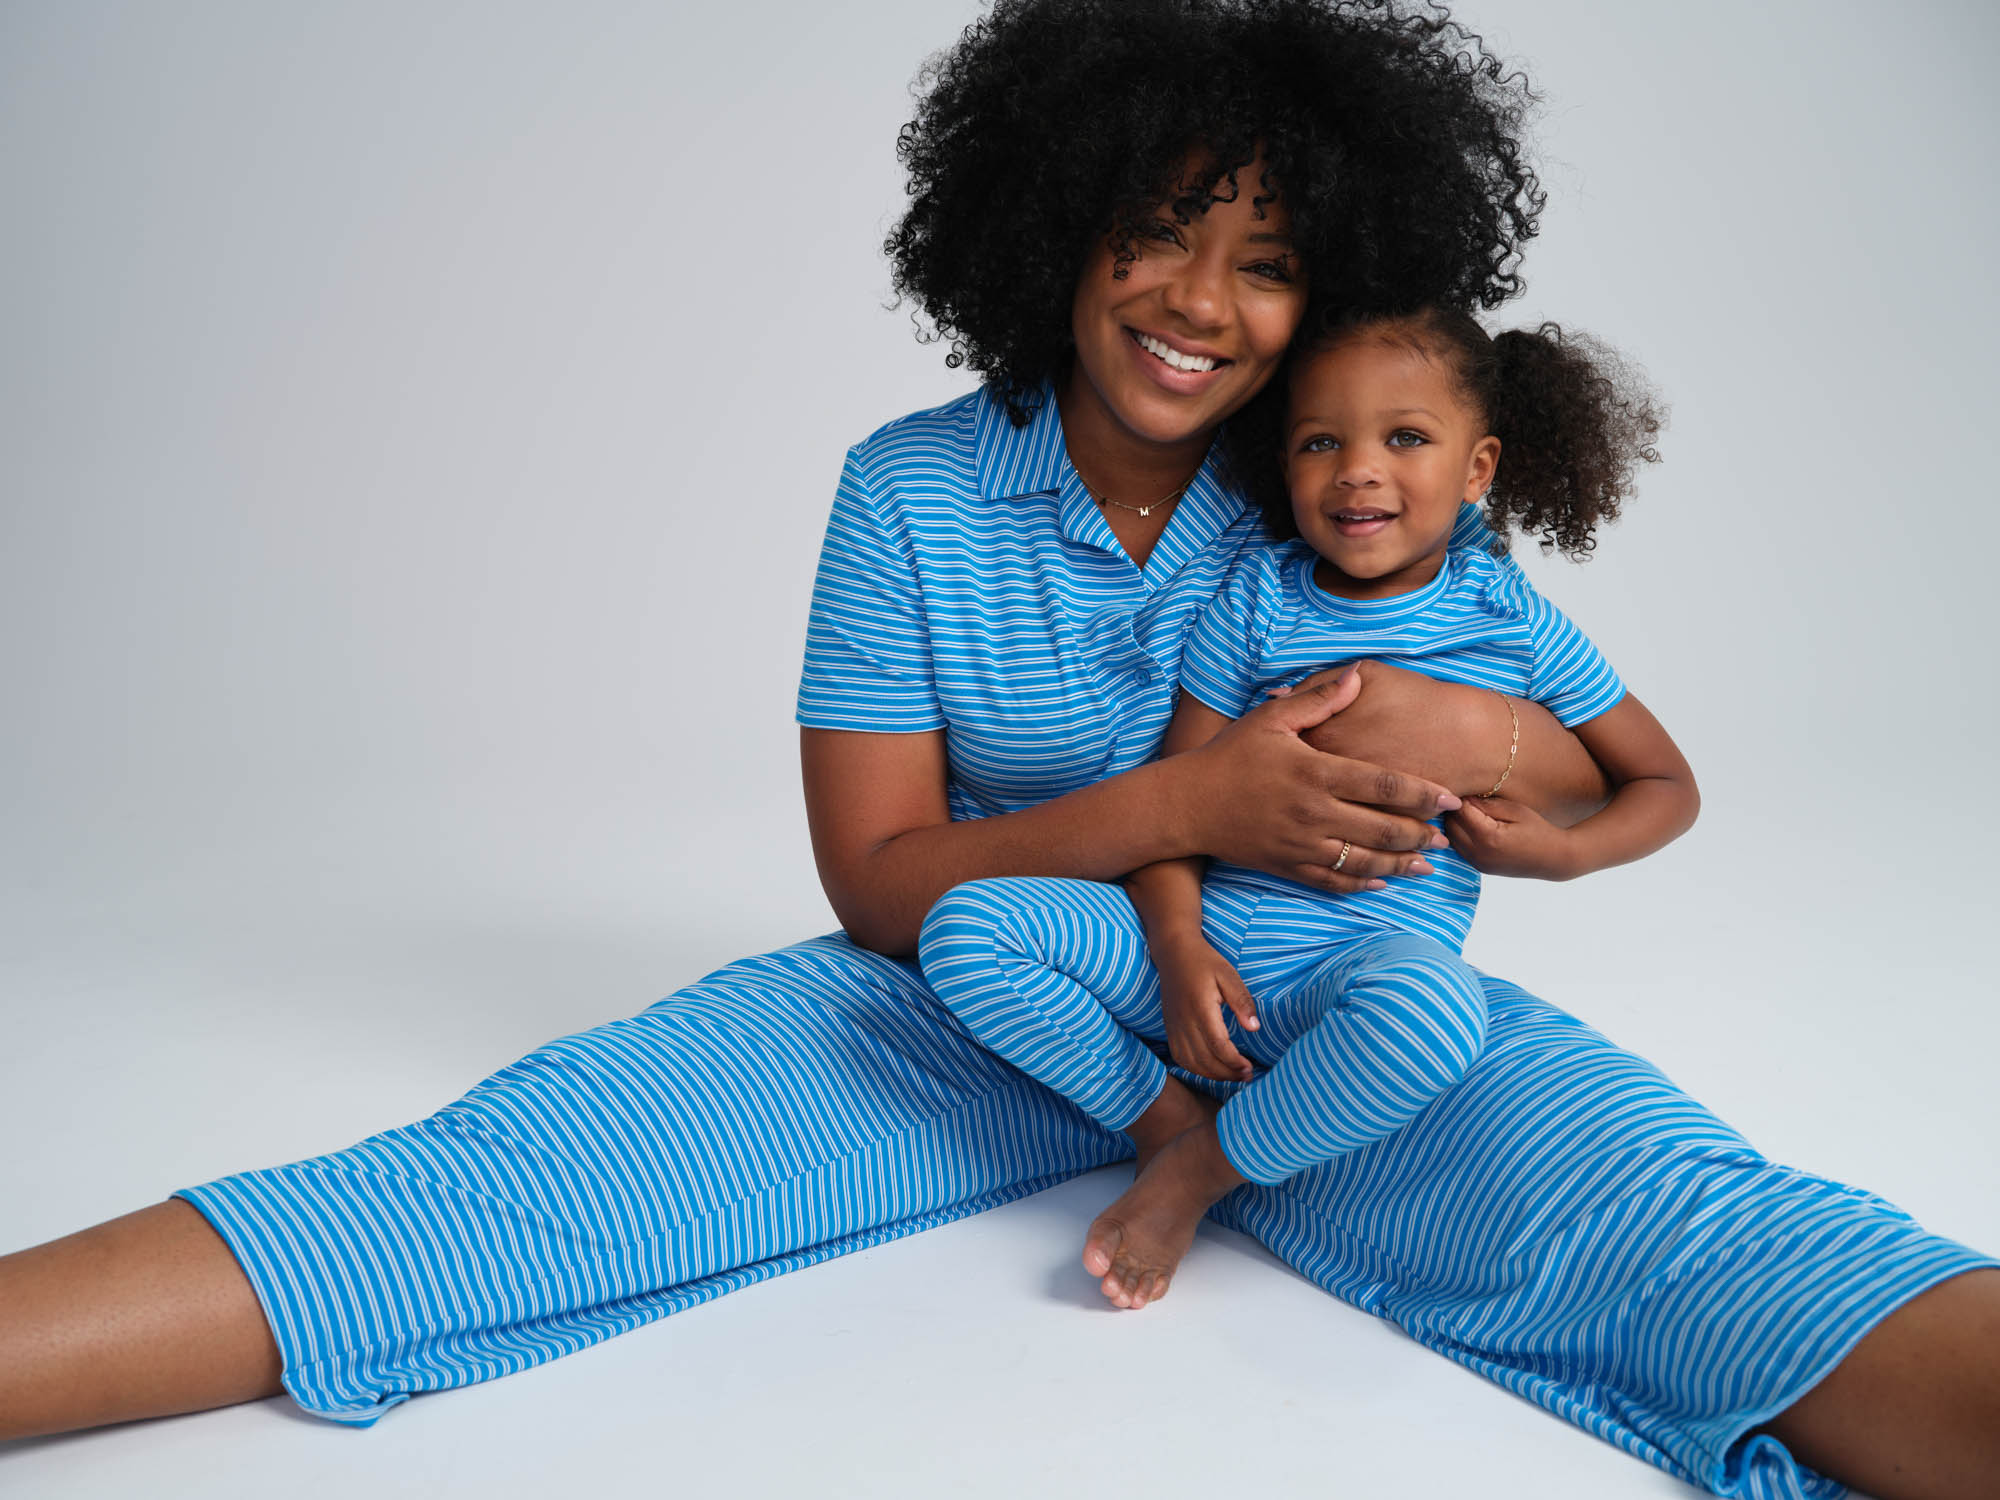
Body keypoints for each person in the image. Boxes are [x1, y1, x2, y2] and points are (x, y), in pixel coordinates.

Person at [1, 4, 1995, 1498]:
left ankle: (1205, 1159)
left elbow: (1552, 766)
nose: (1201, 302)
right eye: (1154, 231)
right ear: (1052, 225)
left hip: (1325, 1028)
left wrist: (1477, 760)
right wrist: (1190, 807)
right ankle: (1162, 1154)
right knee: (466, 1200)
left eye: (1271, 262)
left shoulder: (1342, 498)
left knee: (1721, 1241)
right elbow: (879, 886)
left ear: (1335, 303)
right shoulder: (909, 496)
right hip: (965, 1001)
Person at [920, 306, 1700, 1312]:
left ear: (1476, 468)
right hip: (1198, 970)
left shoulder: (1511, 621)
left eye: (1405, 439)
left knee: (1431, 1013)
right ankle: (1168, 1128)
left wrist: (1562, 855)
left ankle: (1198, 1176)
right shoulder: (1254, 602)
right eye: (1318, 441)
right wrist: (1173, 949)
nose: (1357, 470)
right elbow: (1174, 800)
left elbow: (1662, 784)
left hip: (1348, 978)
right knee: (969, 924)